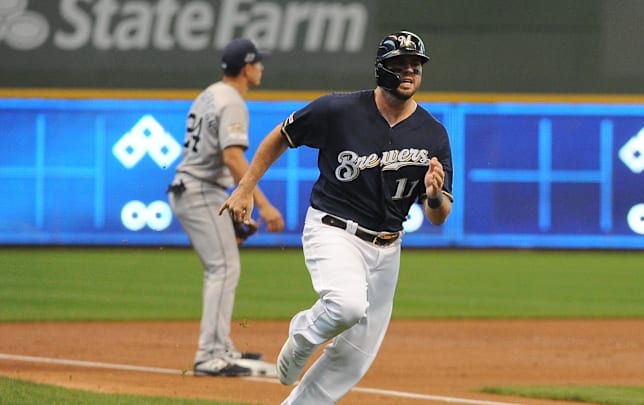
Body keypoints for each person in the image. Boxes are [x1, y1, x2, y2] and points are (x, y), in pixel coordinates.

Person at [219, 30, 453, 403]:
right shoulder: (338, 110)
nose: (410, 71)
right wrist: (245, 187)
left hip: (388, 248)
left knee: (354, 358)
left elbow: (439, 216)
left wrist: (435, 195)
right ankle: (301, 336)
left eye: (416, 65)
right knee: (346, 305)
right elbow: (281, 135)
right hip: (334, 229)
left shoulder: (433, 134)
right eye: (400, 64)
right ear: (381, 68)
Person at [168, 38, 285, 377]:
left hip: (196, 188)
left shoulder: (210, 93)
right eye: (258, 62)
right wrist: (260, 203)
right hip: (200, 189)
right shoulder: (232, 101)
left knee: (223, 266)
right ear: (247, 68)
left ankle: (220, 347)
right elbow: (232, 156)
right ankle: (210, 355)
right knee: (223, 268)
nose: (261, 67)